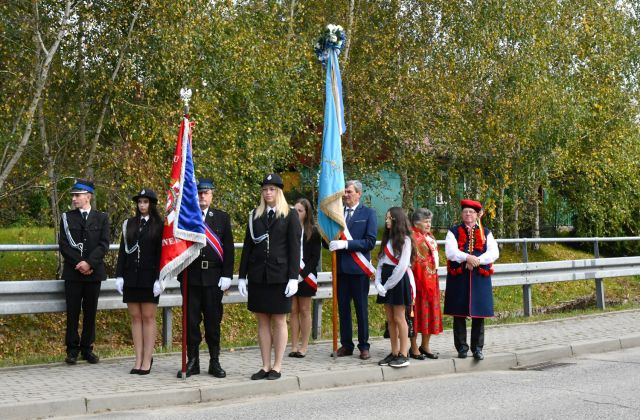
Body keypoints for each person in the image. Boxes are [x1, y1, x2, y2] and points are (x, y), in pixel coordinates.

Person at [238, 173, 301, 380]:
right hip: (258, 276)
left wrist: (293, 277)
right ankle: (265, 365)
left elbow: (294, 248)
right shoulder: (255, 215)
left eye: (272, 189)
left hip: (280, 276)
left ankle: (277, 366)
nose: (268, 193)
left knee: (280, 320)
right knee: (262, 321)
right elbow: (248, 247)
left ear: (279, 192)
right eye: (265, 189)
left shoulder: (290, 215)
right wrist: (242, 276)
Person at [177, 178, 234, 378]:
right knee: (191, 322)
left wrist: (228, 275)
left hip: (213, 278)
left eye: (206, 193)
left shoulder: (221, 218)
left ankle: (214, 361)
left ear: (212, 195)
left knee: (213, 322)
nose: (202, 196)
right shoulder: (186, 218)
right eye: (200, 193)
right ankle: (193, 361)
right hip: (190, 278)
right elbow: (177, 248)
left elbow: (228, 249)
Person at [59, 179, 110, 365]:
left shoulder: (101, 218)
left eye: (77, 195)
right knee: (72, 313)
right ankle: (72, 350)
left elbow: (104, 244)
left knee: (90, 313)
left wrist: (89, 263)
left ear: (88, 196)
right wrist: (79, 263)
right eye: (73, 195)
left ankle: (87, 348)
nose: (74, 198)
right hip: (73, 273)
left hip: (93, 272)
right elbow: (64, 245)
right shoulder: (67, 217)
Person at [115, 188, 163, 375]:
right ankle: (138, 358)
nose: (142, 205)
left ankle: (147, 358)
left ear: (151, 204)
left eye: (145, 202)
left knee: (148, 317)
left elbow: (161, 254)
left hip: (150, 277)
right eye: (139, 202)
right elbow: (122, 251)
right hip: (131, 276)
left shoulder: (159, 225)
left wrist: (160, 278)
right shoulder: (129, 224)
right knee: (135, 317)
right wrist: (119, 275)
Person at [444, 199, 499, 361]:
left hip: (478, 276)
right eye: (465, 212)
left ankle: (477, 348)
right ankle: (461, 347)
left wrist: (477, 261)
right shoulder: (453, 231)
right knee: (458, 313)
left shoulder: (486, 232)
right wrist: (467, 257)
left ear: (477, 215)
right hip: (460, 276)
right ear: (462, 214)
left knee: (479, 314)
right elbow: (451, 252)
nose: (468, 214)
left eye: (471, 212)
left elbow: (493, 252)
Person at [328, 180, 377, 360]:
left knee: (361, 309)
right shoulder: (337, 213)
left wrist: (345, 243)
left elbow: (370, 242)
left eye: (349, 191)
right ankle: (346, 345)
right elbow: (330, 241)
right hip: (341, 270)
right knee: (343, 309)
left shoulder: (368, 213)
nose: (346, 195)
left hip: (358, 269)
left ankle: (364, 345)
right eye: (345, 192)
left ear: (358, 194)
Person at [374, 207, 415, 368]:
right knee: (390, 319)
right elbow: (381, 263)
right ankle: (394, 352)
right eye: (386, 218)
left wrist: (387, 285)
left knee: (399, 318)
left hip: (397, 281)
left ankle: (404, 354)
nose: (386, 221)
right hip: (385, 279)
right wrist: (378, 283)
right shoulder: (388, 239)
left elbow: (402, 266)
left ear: (397, 220)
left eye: (389, 218)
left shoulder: (406, 240)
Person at [289, 198, 321, 358]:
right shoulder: (289, 228)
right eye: (295, 210)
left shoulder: (313, 231)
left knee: (304, 310)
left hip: (307, 276)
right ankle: (293, 345)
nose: (296, 213)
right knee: (293, 310)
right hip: (291, 275)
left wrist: (301, 275)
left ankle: (304, 346)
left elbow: (315, 258)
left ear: (307, 213)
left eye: (300, 211)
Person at [409, 208, 443, 360]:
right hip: (417, 282)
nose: (428, 224)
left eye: (430, 221)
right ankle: (414, 347)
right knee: (415, 314)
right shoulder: (411, 236)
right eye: (425, 221)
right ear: (417, 222)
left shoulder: (429, 236)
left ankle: (425, 345)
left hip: (431, 280)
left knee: (429, 313)